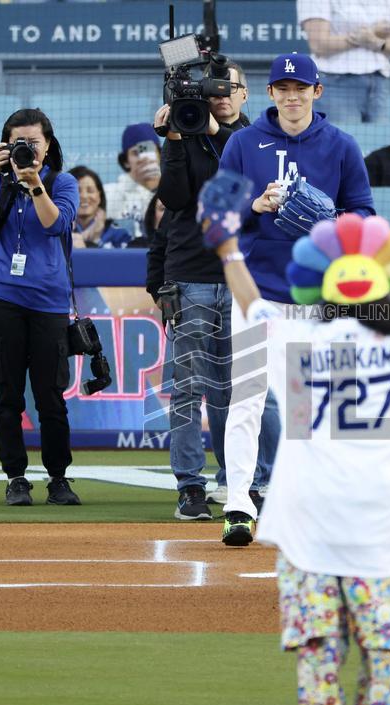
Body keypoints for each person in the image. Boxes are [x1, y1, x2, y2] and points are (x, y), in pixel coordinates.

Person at [196, 169, 390, 705]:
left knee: (317, 642)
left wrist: (229, 247)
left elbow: (250, 301)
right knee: (385, 642)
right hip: (388, 528)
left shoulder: (298, 338)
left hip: (307, 526)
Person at [217, 52, 375, 546]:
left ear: (316, 91)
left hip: (317, 298)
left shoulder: (341, 146)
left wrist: (330, 223)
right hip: (255, 293)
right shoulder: (243, 143)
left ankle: (312, 502)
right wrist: (253, 204)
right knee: (245, 401)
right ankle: (239, 503)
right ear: (270, 93)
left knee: (313, 407)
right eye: (283, 87)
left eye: (300, 87)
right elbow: (216, 213)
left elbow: (366, 216)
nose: (291, 95)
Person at [146, 58, 254, 522]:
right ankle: (191, 487)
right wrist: (173, 137)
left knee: (238, 390)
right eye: (214, 88)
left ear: (245, 94)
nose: (223, 95)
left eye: (231, 87)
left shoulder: (256, 139)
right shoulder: (186, 133)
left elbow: (250, 183)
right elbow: (172, 197)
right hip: (189, 274)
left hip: (241, 277)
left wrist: (214, 132)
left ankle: (238, 484)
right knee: (188, 389)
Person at [0, 108, 82, 507]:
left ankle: (58, 478)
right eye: (18, 143)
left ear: (48, 145)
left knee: (51, 396)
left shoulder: (62, 181)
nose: (26, 150)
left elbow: (56, 224)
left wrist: (34, 183)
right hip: (5, 299)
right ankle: (16, 477)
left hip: (49, 302)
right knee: (8, 395)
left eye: (33, 143)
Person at [298, 0, 390, 123]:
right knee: (342, 140)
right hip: (335, 84)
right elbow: (319, 45)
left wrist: (373, 39)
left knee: (380, 140)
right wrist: (367, 35)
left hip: (379, 83)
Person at [104, 123, 161, 233]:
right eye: (136, 153)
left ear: (160, 154)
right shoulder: (108, 194)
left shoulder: (174, 191)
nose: (143, 159)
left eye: (149, 151)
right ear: (126, 161)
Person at [67, 166, 132, 248]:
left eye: (90, 191)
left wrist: (95, 241)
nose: (84, 196)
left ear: (99, 196)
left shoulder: (120, 235)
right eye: (76, 191)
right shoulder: (57, 234)